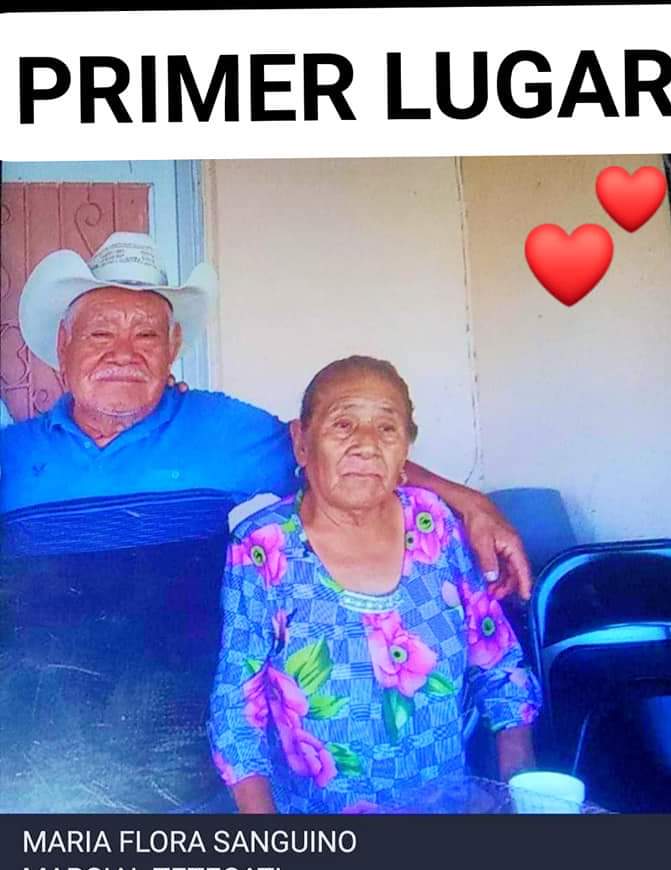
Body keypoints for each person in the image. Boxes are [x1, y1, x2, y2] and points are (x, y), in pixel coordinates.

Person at [0, 233, 531, 814]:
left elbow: (345, 454)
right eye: (101, 333)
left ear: (173, 347)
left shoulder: (225, 430)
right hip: (44, 777)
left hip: (191, 782)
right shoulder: (12, 456)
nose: (124, 353)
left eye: (146, 334)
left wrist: (468, 503)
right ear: (64, 344)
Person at [210, 356, 542, 814]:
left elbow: (501, 668)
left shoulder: (435, 525)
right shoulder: (262, 547)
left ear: (405, 449)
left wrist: (522, 795)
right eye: (343, 424)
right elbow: (237, 708)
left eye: (387, 428)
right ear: (302, 443)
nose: (366, 445)